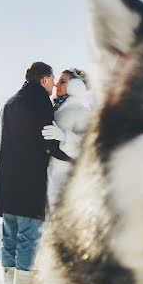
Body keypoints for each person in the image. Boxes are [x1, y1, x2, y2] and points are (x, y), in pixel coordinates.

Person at [0, 62, 70, 284]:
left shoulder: (9, 103)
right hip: (29, 183)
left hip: (7, 183)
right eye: (53, 79)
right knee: (28, 239)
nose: (54, 84)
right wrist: (73, 154)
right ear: (44, 79)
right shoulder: (39, 101)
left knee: (9, 239)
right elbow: (48, 141)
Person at [42, 68, 92, 206]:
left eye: (62, 81)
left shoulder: (82, 112)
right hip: (45, 181)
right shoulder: (52, 109)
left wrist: (65, 138)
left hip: (67, 182)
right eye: (57, 81)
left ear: (75, 86)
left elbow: (88, 148)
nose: (56, 85)